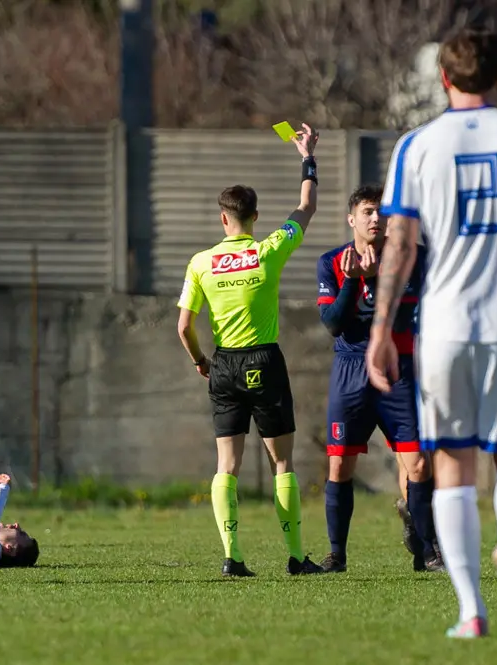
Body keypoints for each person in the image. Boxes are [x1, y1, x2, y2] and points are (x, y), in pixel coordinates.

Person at [367, 28, 497, 638]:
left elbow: (400, 245)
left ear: (444, 79)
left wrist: (382, 327)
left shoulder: (416, 147)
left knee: (452, 464)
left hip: (445, 327)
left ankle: (471, 612)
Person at [176, 123, 324, 577]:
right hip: (263, 359)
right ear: (255, 217)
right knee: (281, 461)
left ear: (224, 219)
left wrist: (202, 361)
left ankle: (232, 557)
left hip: (223, 365)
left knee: (228, 464)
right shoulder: (267, 251)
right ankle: (297, 558)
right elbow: (306, 207)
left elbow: (183, 326)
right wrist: (307, 156)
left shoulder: (201, 262)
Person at [316, 184, 442, 574]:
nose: (376, 220)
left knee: (418, 465)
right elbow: (334, 324)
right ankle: (337, 555)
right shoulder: (333, 261)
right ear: (351, 218)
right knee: (339, 465)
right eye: (368, 212)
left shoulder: (412, 259)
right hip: (351, 369)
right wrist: (355, 280)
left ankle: (428, 551)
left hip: (399, 369)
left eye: (382, 213)